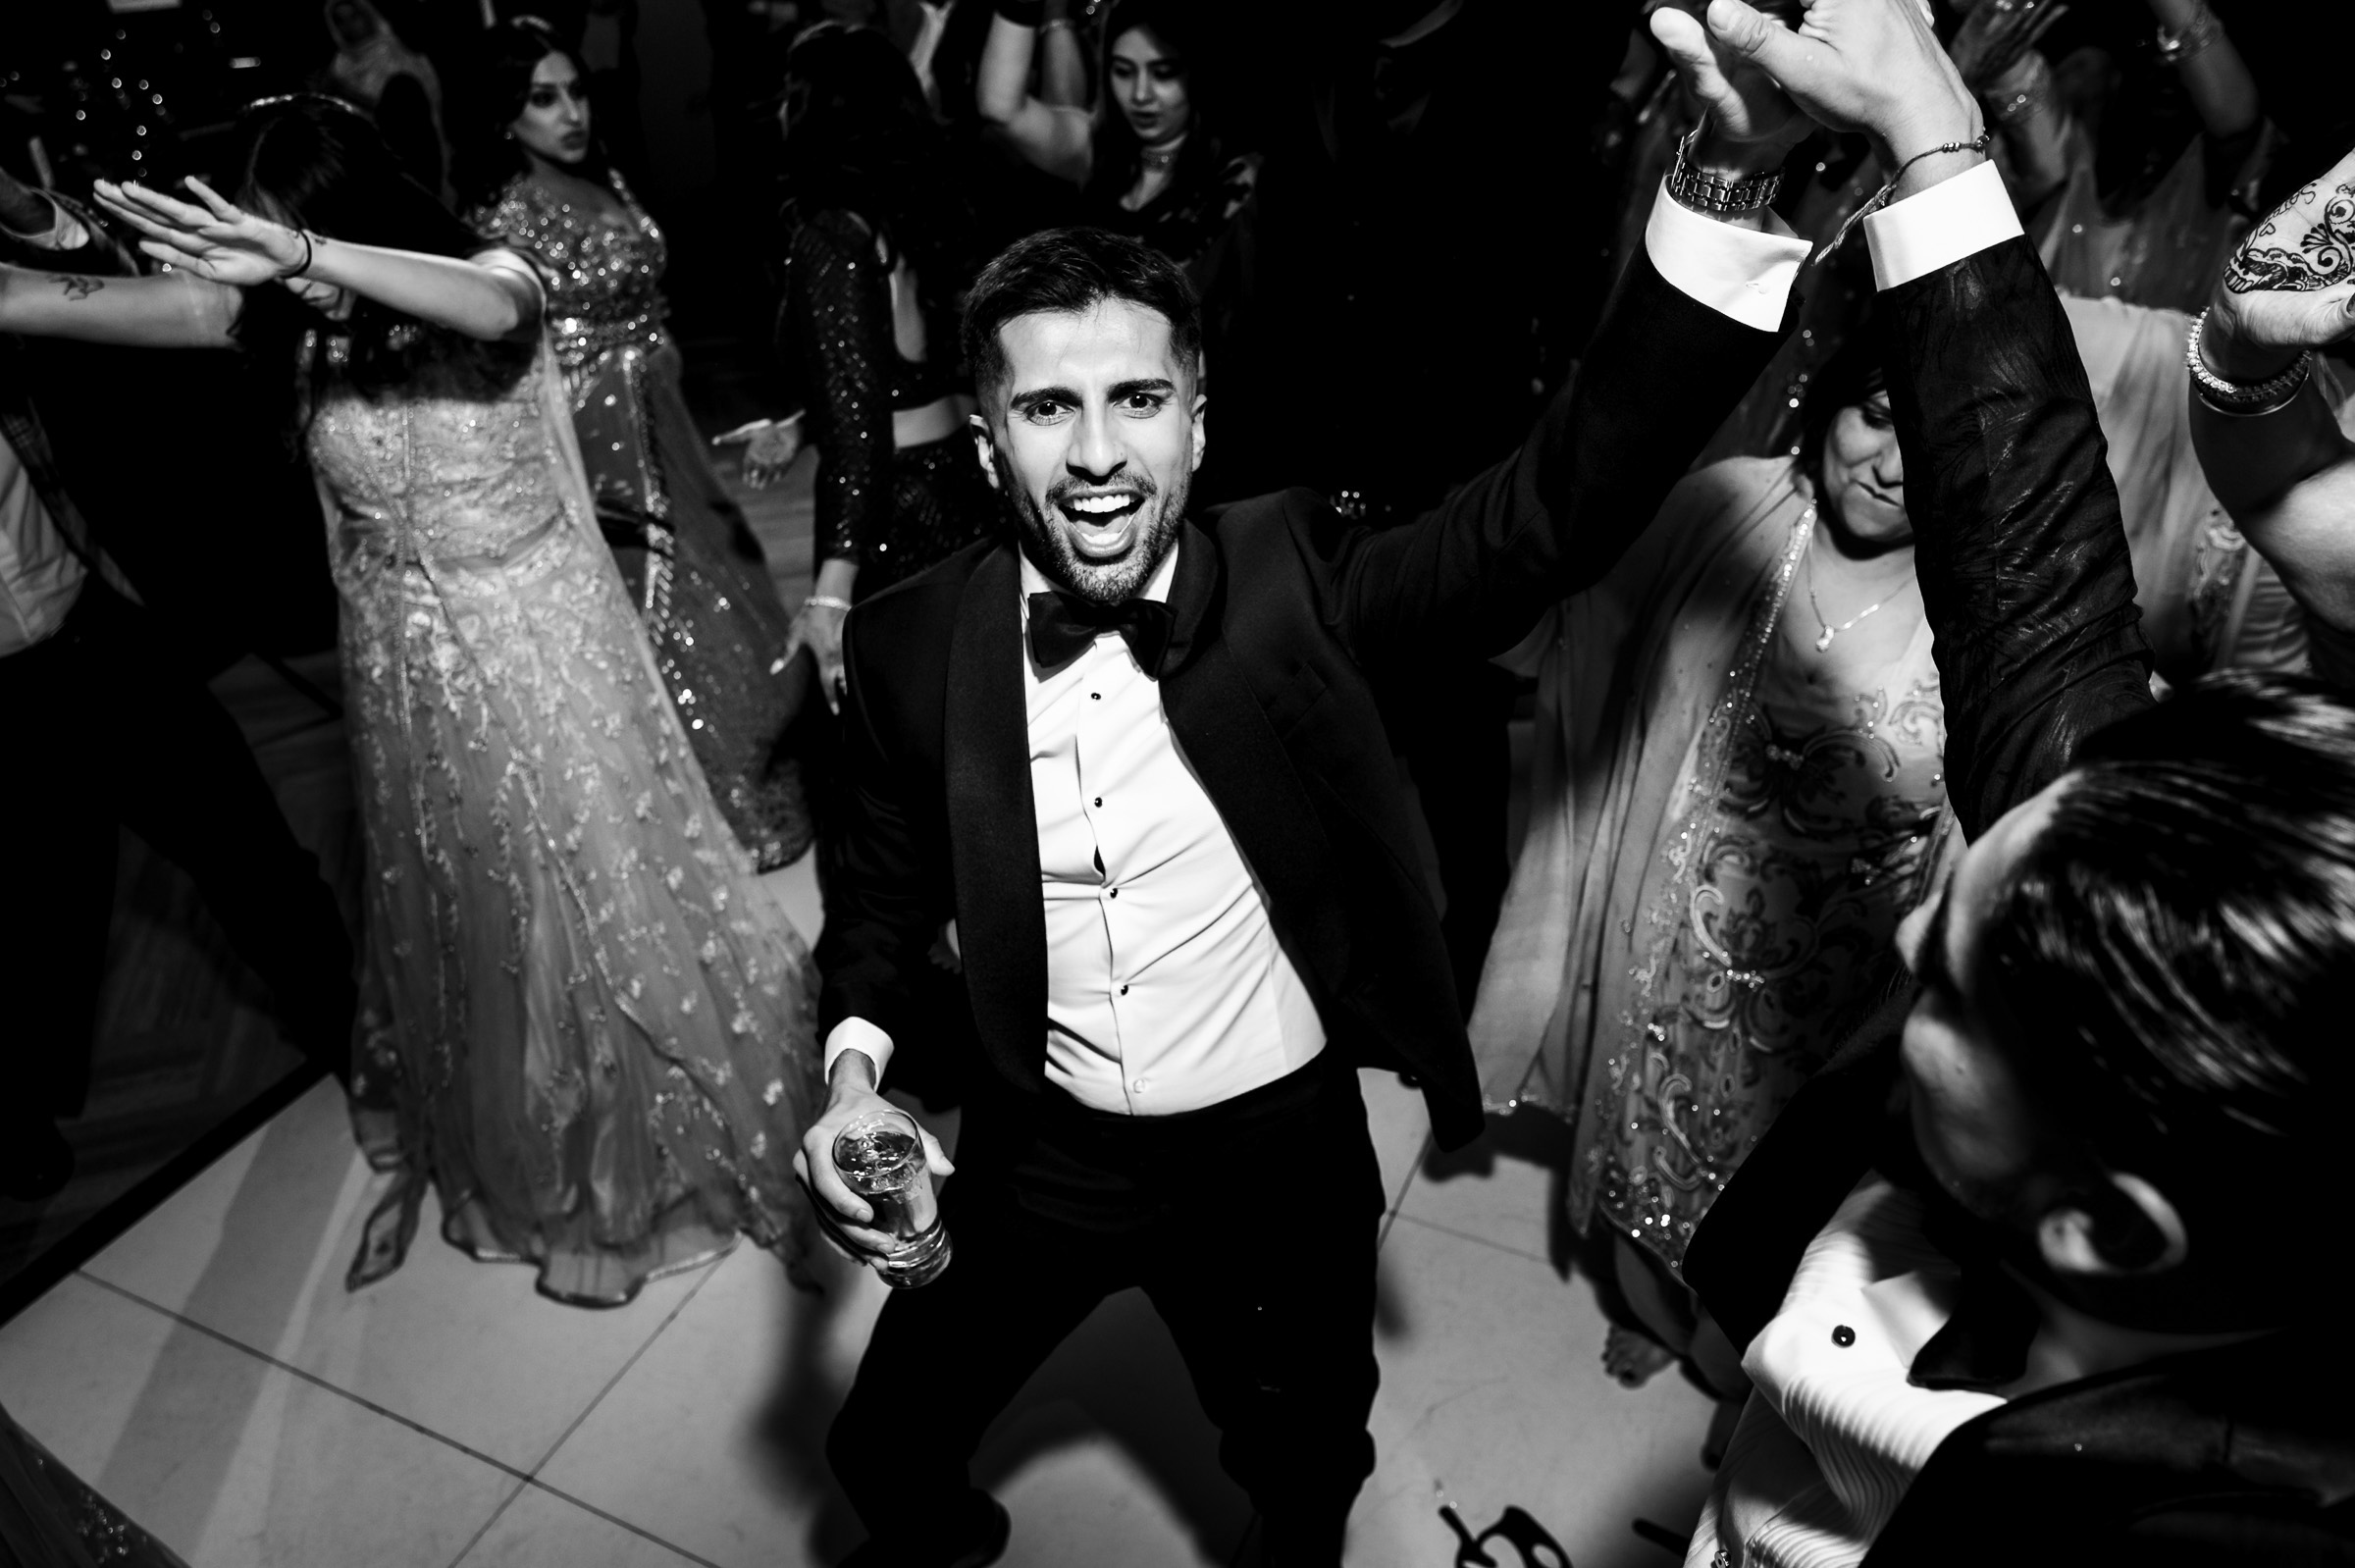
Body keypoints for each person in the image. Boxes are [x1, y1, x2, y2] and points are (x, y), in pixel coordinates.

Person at [795, 12, 1825, 1556]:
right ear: (995, 442)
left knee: (1301, 1467)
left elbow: (1549, 515)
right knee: (882, 1451)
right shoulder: (904, 646)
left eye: (1137, 400)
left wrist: (1731, 182)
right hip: (1039, 1151)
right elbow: (877, 897)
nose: (1095, 455)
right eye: (1047, 409)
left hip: (1266, 1156)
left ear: (1199, 420)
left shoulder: (1294, 583)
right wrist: (856, 1075)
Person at [1616, 2, 2355, 1559]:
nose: (1906, 940)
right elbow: (2038, 611)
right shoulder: (2171, 1000)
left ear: (2095, 1222)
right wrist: (1933, 135)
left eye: (1951, 984)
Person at [0, 97, 822, 1307]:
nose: (253, 257)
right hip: (406, 677)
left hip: (536, 644)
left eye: (272, 229)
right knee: (485, 917)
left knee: (587, 900)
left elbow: (499, 305)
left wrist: (304, 258)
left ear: (332, 218)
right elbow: (24, 302)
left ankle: (648, 1145)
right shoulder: (275, 320)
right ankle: (546, 1143)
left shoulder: (483, 279)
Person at [1469, 273, 2310, 1397]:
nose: (1891, 463)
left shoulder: (1991, 610)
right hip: (1669, 938)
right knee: (1646, 1133)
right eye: (1873, 414)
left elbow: (2087, 729)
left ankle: (1746, 1356)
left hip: (1843, 981)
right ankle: (1655, 1310)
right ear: (1825, 400)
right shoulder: (1725, 511)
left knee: (1779, 1187)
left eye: (1927, 440)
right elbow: (1573, 615)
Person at [0, 166, 356, 1203]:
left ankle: (352, 1032)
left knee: (249, 850)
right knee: (26, 915)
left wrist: (37, 213)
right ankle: (14, 1115)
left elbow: (195, 316)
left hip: (88, 626)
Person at [457, 17, 815, 873]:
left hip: (665, 417)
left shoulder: (606, 175)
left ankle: (756, 790)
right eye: (543, 99)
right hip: (600, 442)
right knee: (664, 609)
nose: (570, 113)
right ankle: (699, 824)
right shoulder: (500, 219)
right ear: (506, 114)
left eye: (575, 92)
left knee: (735, 587)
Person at [770, 22, 998, 704]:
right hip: (966, 477)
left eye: (792, 92)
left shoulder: (831, 238)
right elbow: (901, 377)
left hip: (895, 510)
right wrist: (801, 424)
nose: (781, 109)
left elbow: (860, 428)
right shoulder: (915, 213)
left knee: (896, 730)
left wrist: (830, 597)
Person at [975, 0, 1260, 326]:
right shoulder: (1097, 151)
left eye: (1163, 73)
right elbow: (1000, 107)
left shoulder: (1240, 177)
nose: (1141, 94)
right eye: (1123, 71)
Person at [322, 0, 451, 198]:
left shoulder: (396, 56)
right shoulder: (339, 66)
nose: (349, 26)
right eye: (340, 20)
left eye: (354, 17)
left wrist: (347, 94)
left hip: (410, 161)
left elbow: (404, 117)